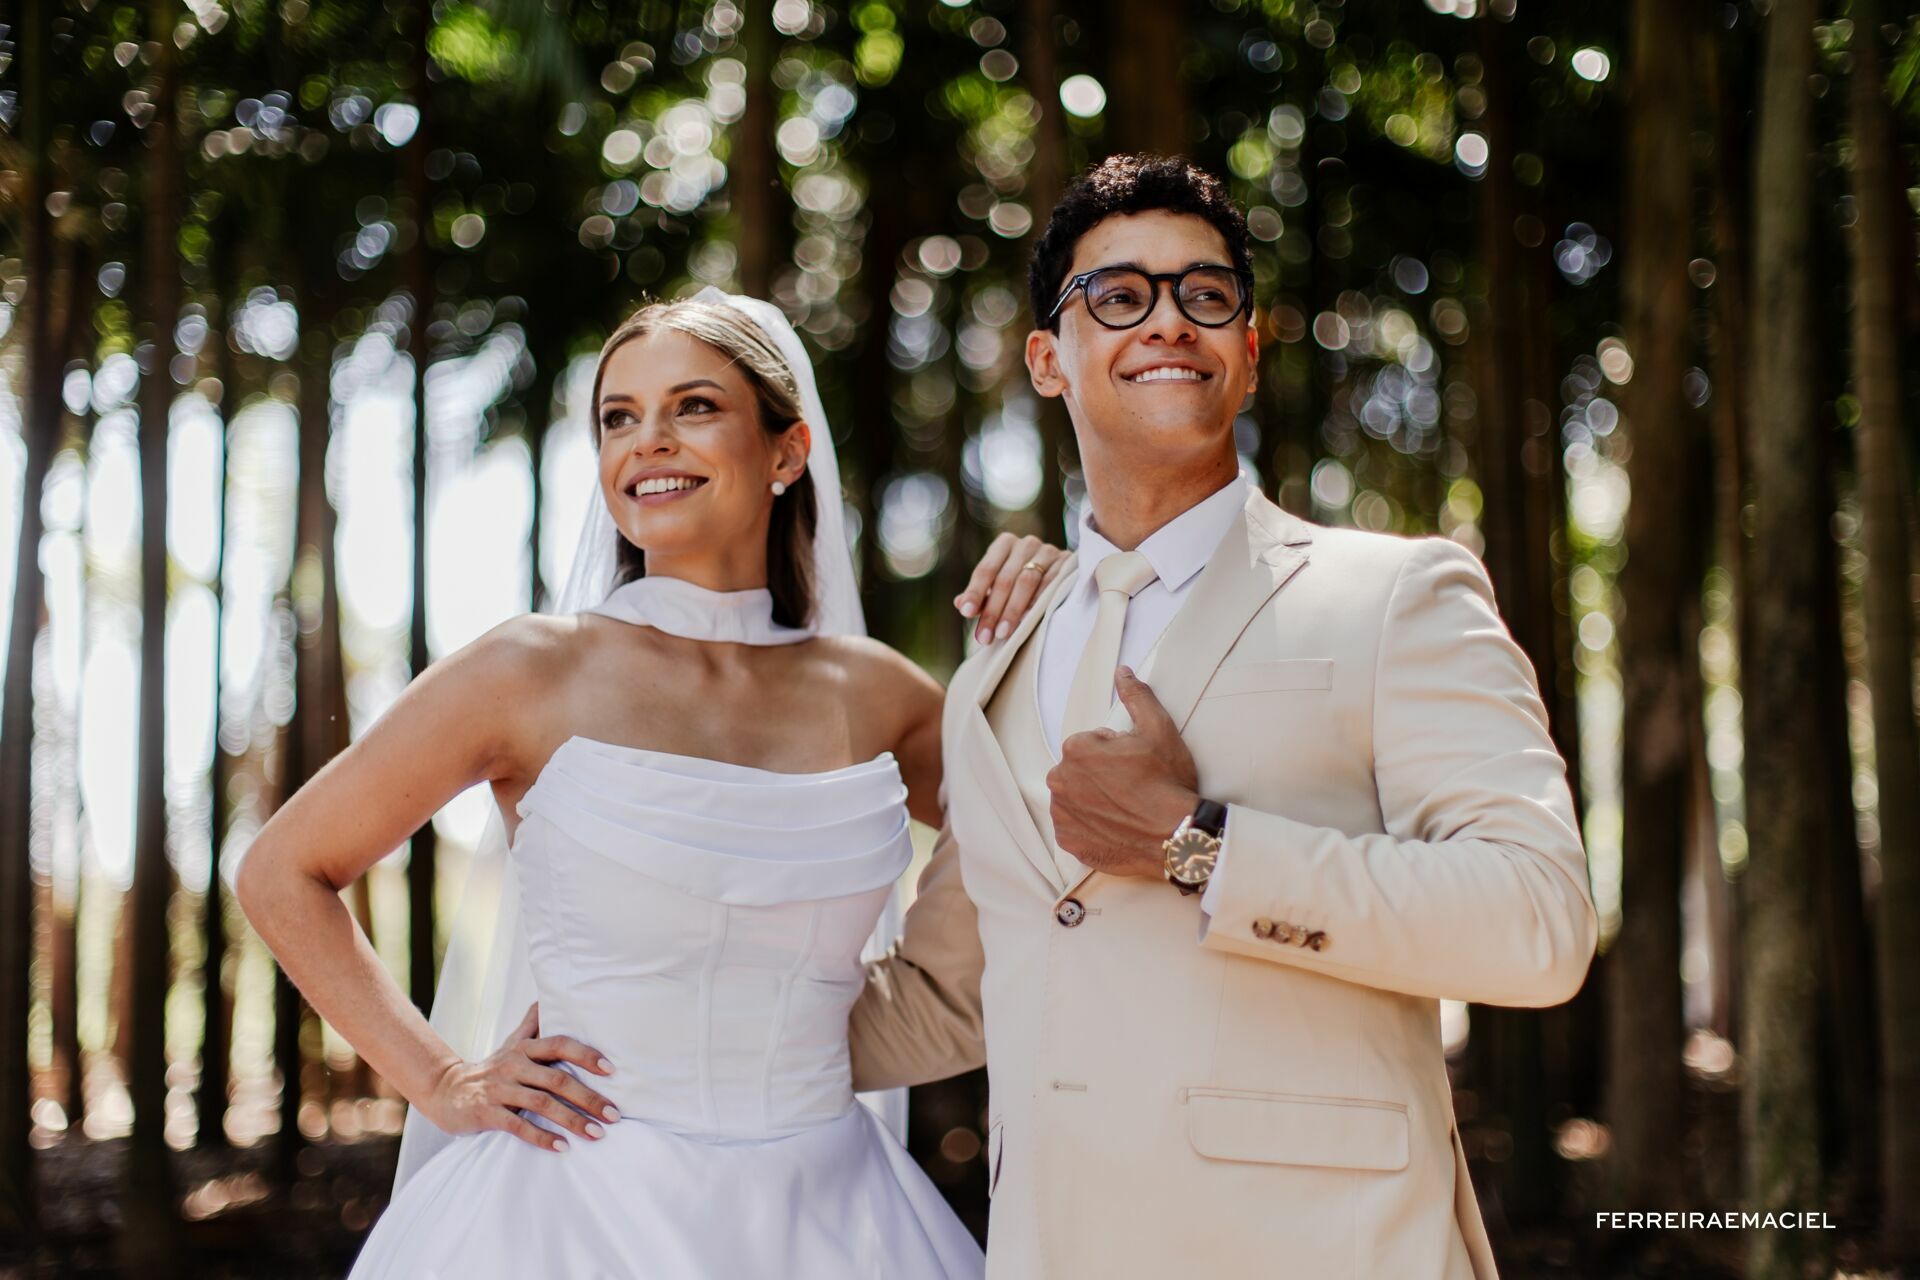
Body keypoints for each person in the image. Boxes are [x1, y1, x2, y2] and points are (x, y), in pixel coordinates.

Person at [845, 153, 1600, 1279]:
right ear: (1049, 359)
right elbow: (950, 992)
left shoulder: (1399, 597)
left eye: (1207, 295)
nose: (1167, 320)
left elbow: (1538, 922)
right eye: (1118, 295)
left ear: (1248, 352)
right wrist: (656, 1032)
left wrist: (1197, 844)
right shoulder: (995, 663)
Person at [234, 289, 1064, 1278]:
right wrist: (446, 1077)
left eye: (694, 406)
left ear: (788, 450)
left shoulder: (880, 693)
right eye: (618, 417)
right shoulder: (526, 671)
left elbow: (1049, 836)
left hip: (839, 1216)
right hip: (561, 1212)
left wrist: (1067, 623)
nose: (648, 441)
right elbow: (283, 868)